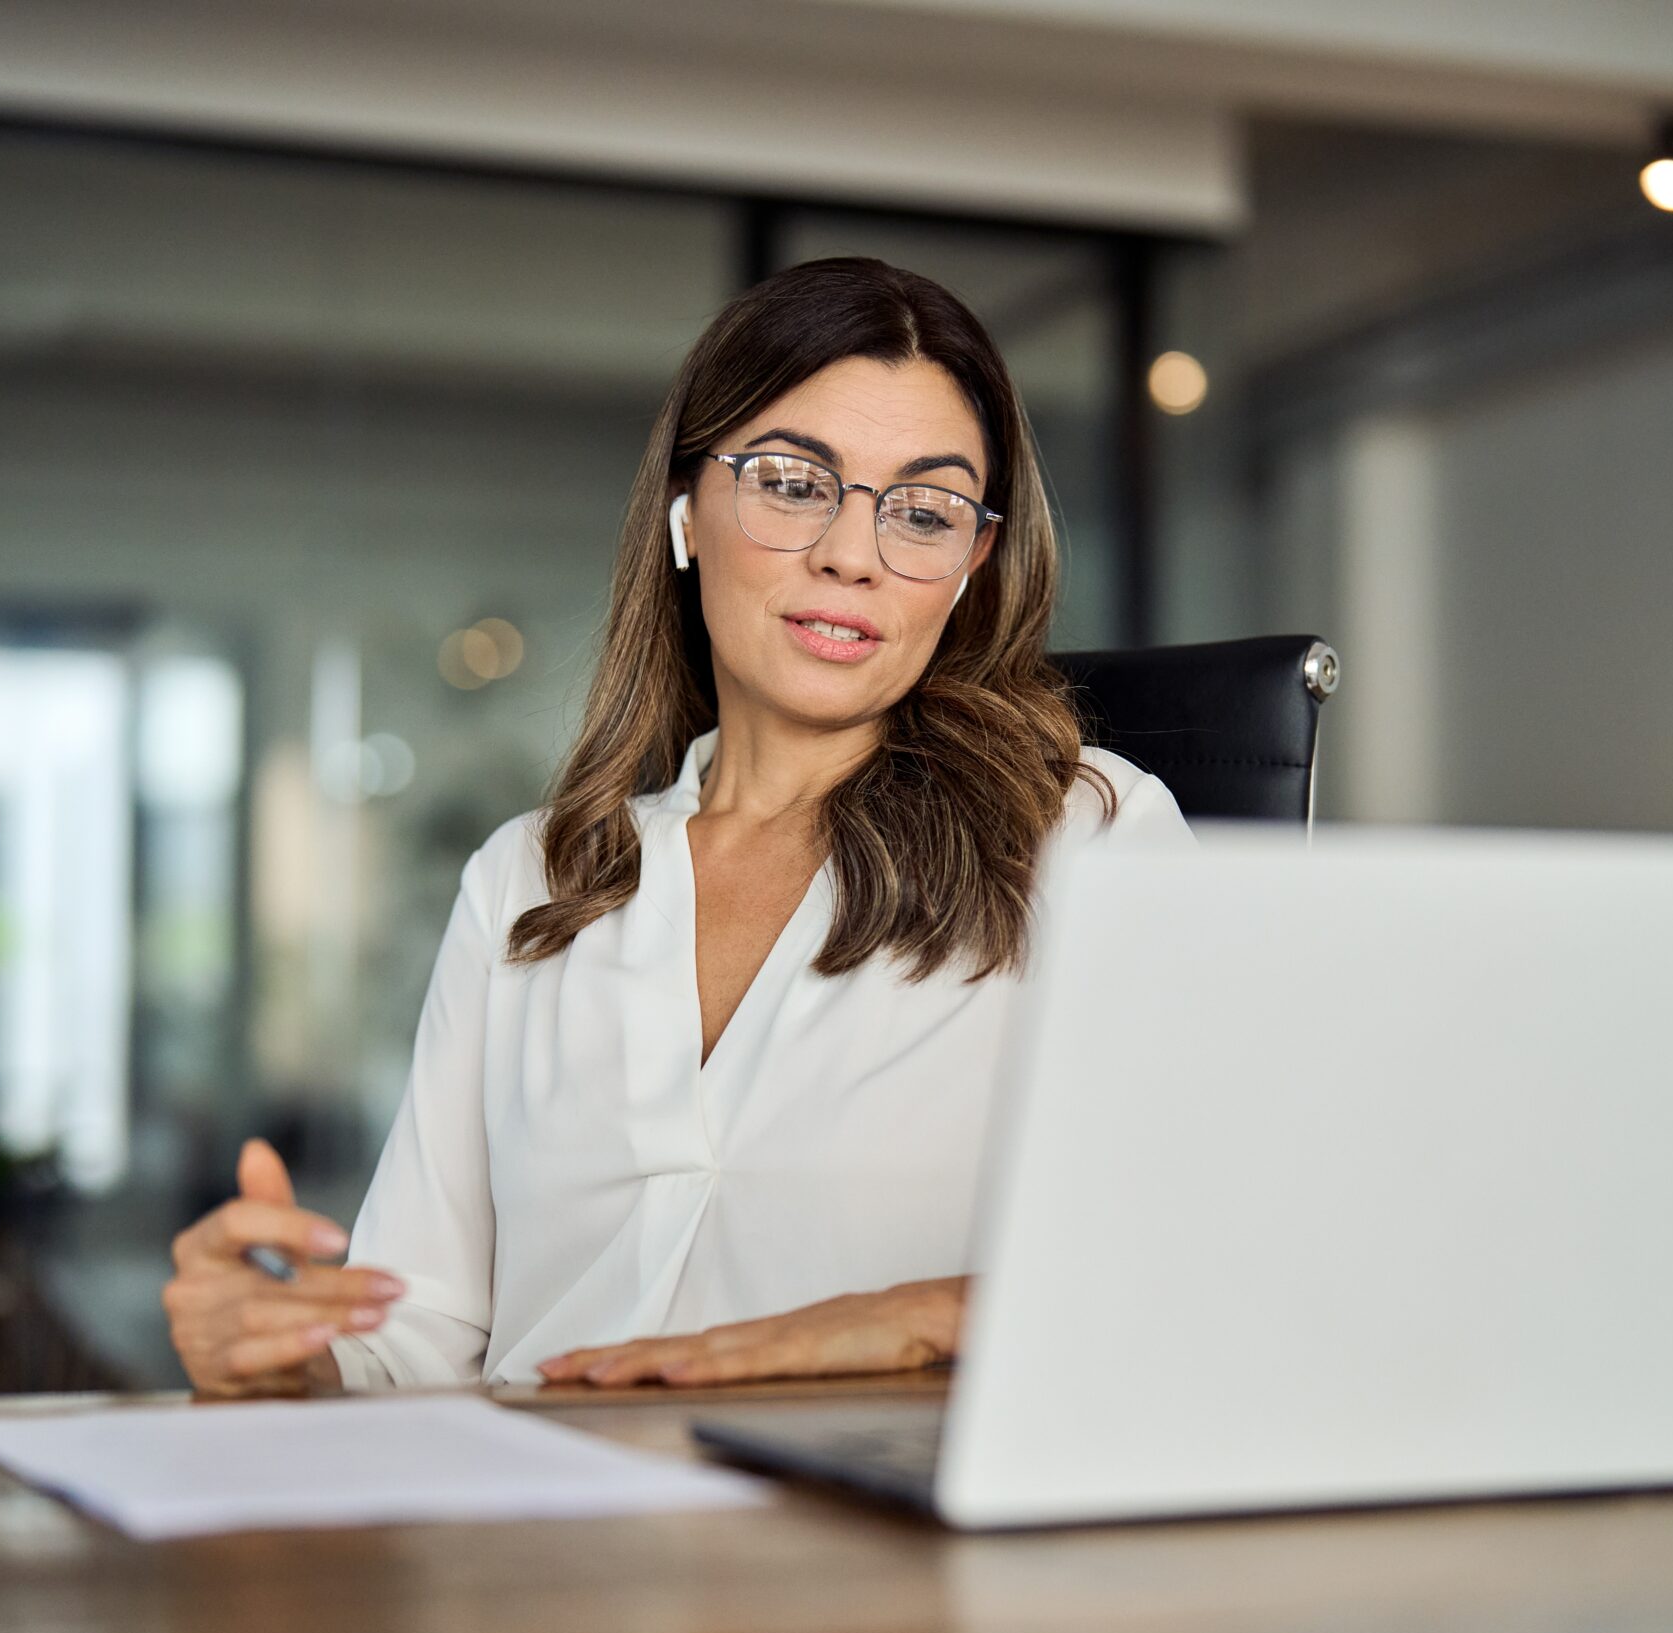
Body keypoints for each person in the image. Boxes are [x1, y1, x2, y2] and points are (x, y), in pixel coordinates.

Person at [164, 257, 1190, 1398]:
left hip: (883, 1553)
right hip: (541, 1540)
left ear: (969, 566)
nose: (854, 554)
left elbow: (1202, 1256)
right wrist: (275, 1353)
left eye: (925, 511)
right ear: (686, 512)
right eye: (795, 484)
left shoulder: (1086, 841)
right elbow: (415, 1338)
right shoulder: (533, 880)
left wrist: (902, 1320)